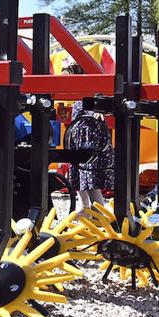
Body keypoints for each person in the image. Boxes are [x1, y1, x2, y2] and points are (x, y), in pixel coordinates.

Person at [63, 63, 114, 211]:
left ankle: (97, 207)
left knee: (90, 176)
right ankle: (85, 206)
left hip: (89, 141)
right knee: (78, 174)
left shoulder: (89, 95)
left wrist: (98, 111)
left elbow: (98, 107)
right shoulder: (76, 98)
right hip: (78, 140)